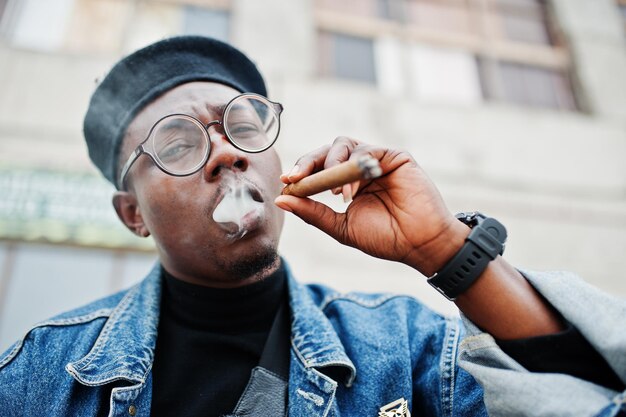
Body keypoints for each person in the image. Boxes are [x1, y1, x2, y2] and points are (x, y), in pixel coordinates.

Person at [0, 35, 624, 417]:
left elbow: (591, 398)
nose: (226, 153)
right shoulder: (40, 379)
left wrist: (444, 250)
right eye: (177, 142)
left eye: (242, 125)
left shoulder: (403, 349)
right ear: (133, 213)